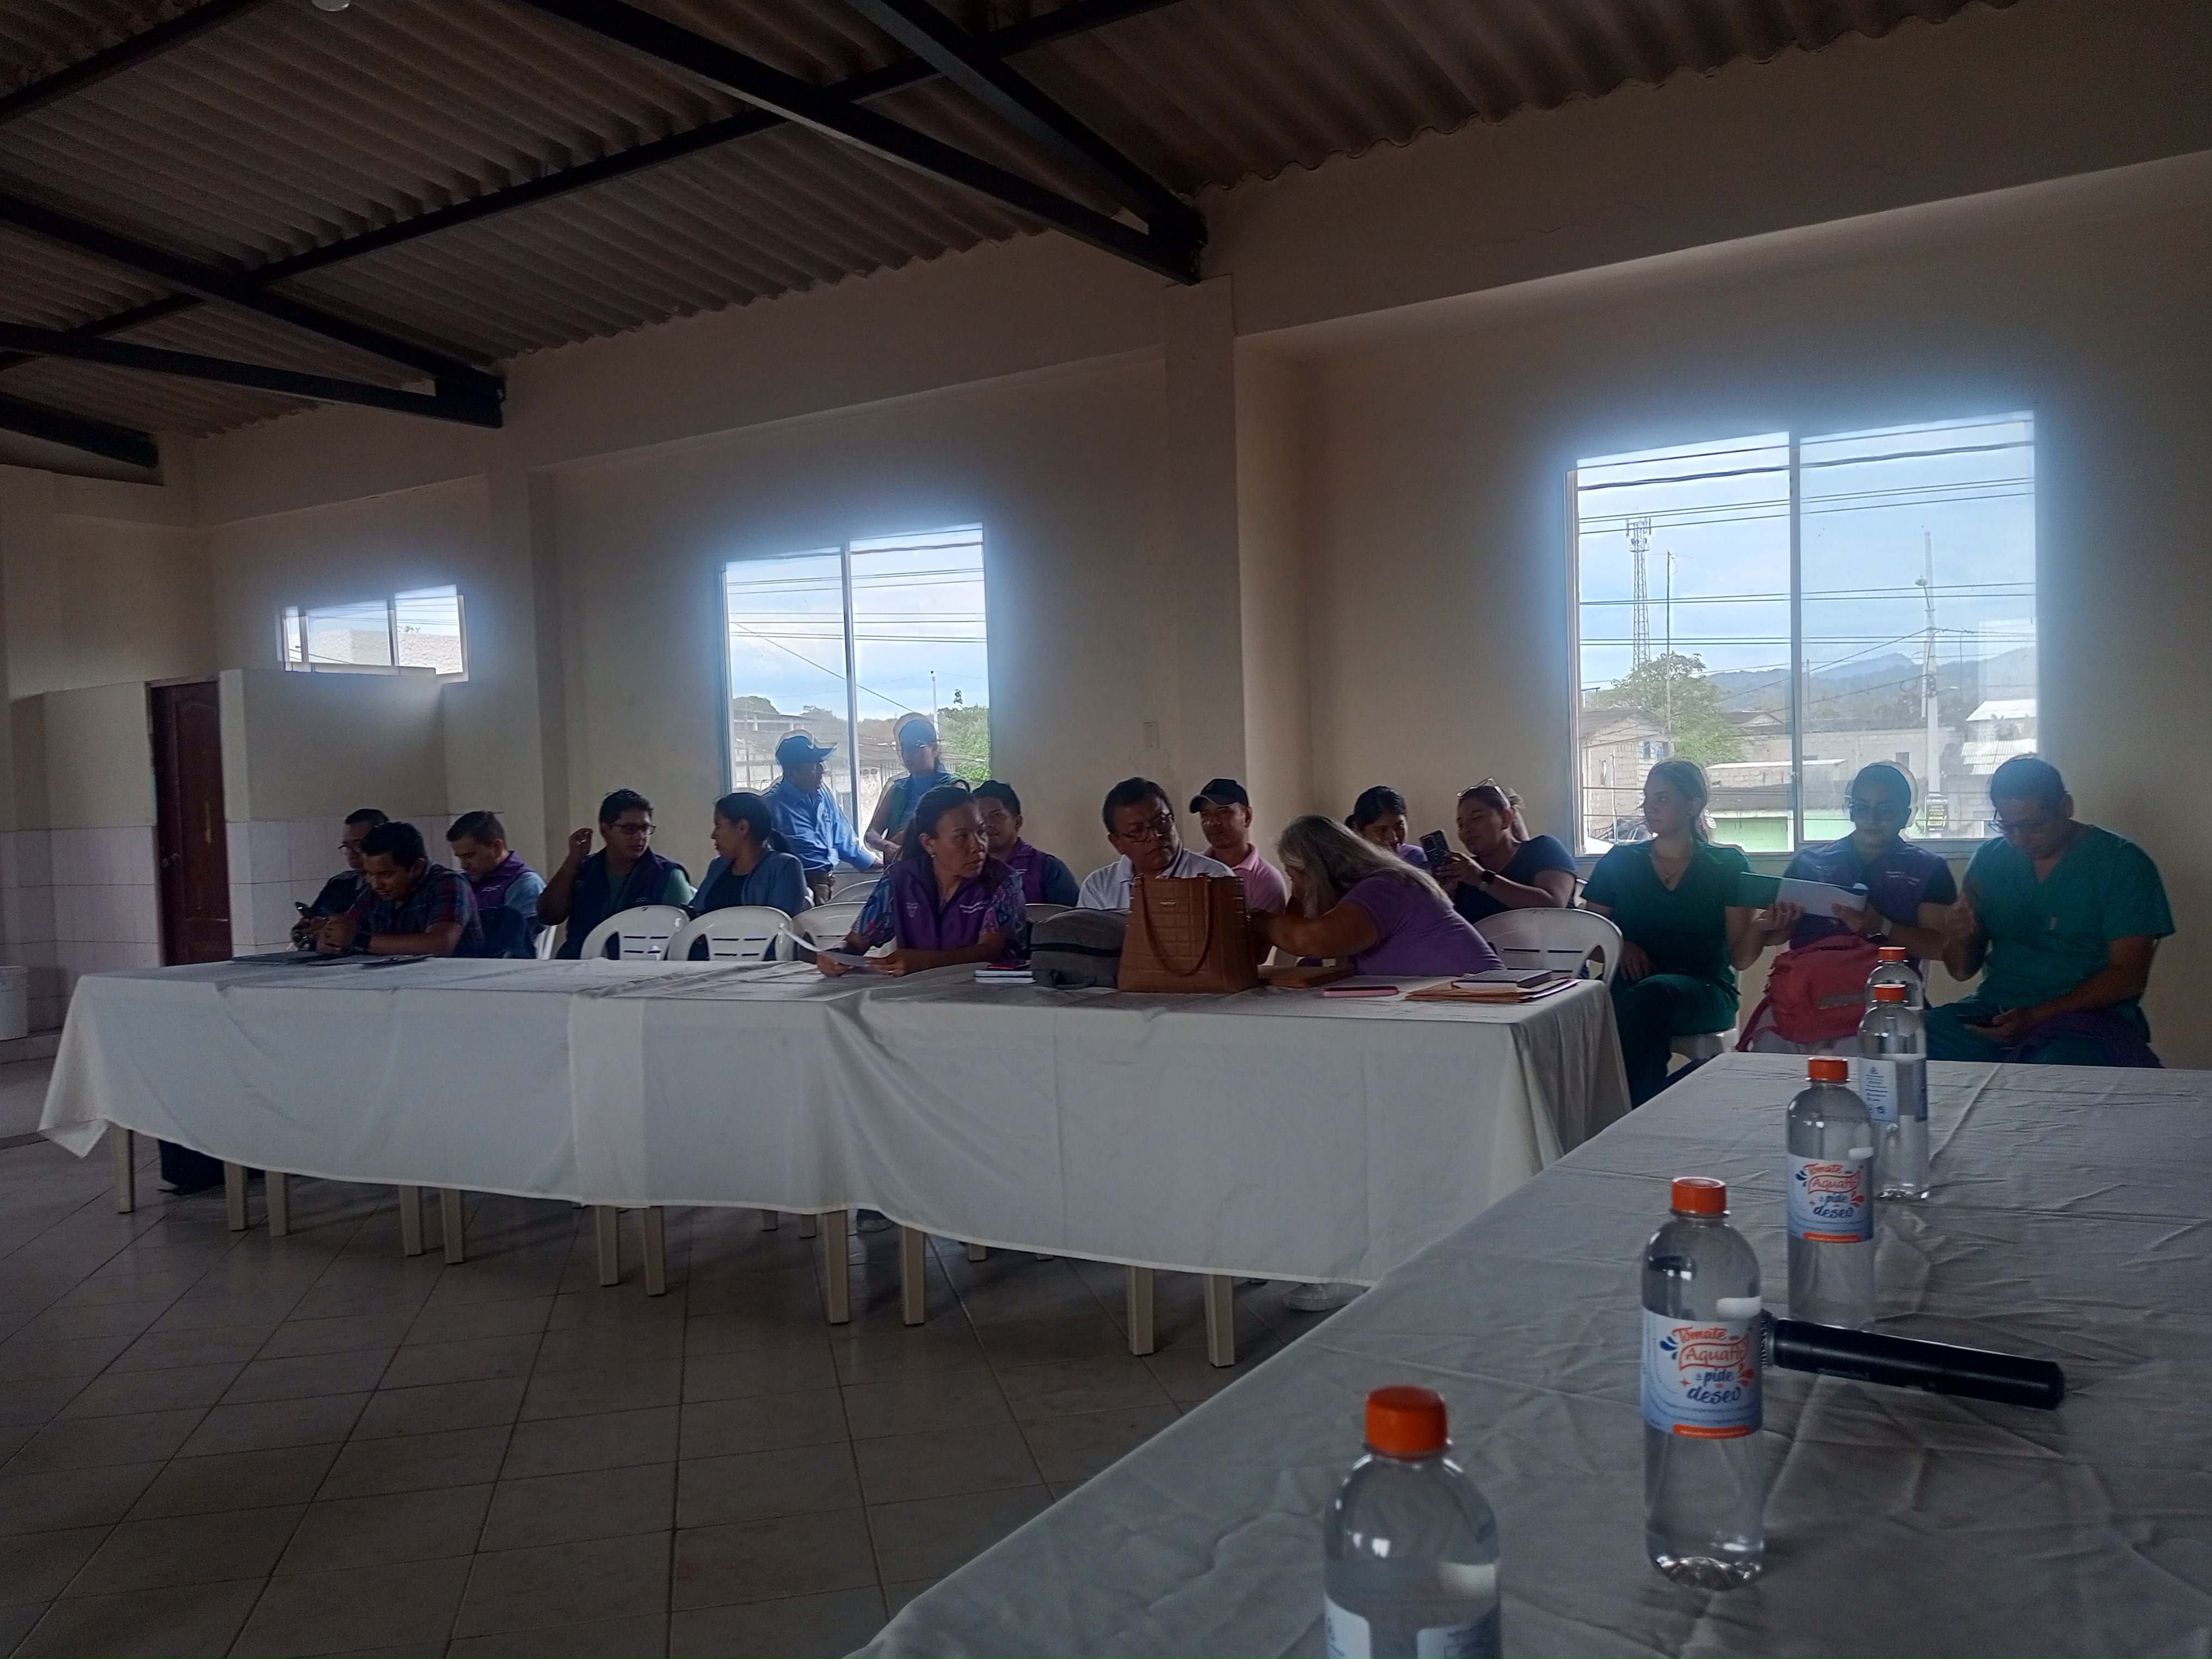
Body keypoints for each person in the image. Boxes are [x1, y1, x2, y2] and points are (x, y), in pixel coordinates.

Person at [1929, 756, 2172, 1066]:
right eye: (2008, 827)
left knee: (2053, 1070)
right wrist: (1959, 939)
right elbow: (1962, 971)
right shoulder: (1989, 861)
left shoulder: (2122, 864)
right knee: (1909, 1040)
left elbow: (2129, 976)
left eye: (2034, 827)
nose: (2020, 840)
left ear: (2066, 807)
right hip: (1996, 1010)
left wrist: (2038, 1015)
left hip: (2088, 1018)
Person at [1581, 759, 1766, 1105]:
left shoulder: (1727, 866)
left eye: (1662, 798)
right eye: (1647, 798)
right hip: (1629, 989)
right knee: (1603, 1004)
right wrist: (1621, 944)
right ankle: (1650, 1103)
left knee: (1651, 997)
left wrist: (1764, 927)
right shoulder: (1619, 862)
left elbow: (1740, 958)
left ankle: (1630, 1111)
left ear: (1693, 805)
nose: (1649, 807)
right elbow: (1590, 937)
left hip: (1704, 990)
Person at [1255, 815, 1501, 976]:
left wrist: (1256, 921)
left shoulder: (1385, 888)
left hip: (1482, 1007)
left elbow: (1310, 940)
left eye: (1294, 878)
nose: (1296, 891)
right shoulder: (1366, 894)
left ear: (1314, 872)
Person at [820, 784, 1027, 976]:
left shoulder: (1003, 881)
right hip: (915, 995)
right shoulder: (900, 880)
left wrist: (926, 961)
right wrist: (837, 954)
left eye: (981, 832)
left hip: (989, 994)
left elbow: (990, 951)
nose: (978, 845)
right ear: (929, 843)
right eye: (962, 837)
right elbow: (856, 943)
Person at [539, 789, 694, 958]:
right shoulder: (585, 869)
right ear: (605, 830)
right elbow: (549, 916)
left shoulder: (667, 875)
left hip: (640, 968)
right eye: (630, 829)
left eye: (645, 828)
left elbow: (683, 943)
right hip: (579, 964)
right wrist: (572, 861)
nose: (640, 837)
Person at [315, 820, 481, 956]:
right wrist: (330, 938)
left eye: (386, 875)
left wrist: (359, 940)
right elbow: (348, 926)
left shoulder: (449, 883)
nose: (376, 884)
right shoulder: (374, 889)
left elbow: (441, 945)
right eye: (369, 874)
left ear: (416, 868)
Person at [1432, 780, 1576, 925]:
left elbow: (1553, 906)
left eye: (1477, 818)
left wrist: (1481, 878)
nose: (1466, 829)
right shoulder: (1463, 874)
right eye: (1461, 825)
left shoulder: (1543, 849)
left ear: (1506, 818)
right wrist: (1445, 897)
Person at [1077, 777, 1232, 911]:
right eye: (1138, 831)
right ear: (1117, 843)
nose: (1156, 835)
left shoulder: (1216, 877)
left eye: (1162, 822)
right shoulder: (1098, 887)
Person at [763, 730, 877, 904]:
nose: (822, 771)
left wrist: (872, 863)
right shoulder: (771, 806)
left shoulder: (822, 794)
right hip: (793, 888)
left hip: (825, 883)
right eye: (813, 766)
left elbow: (841, 835)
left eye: (820, 764)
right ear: (792, 773)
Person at [690, 791, 812, 919]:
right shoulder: (717, 866)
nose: (713, 835)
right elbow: (695, 910)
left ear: (743, 827)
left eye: (719, 826)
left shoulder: (785, 867)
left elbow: (779, 923)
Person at [445, 810, 545, 955]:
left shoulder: (525, 884)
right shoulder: (462, 882)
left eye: (469, 856)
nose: (463, 865)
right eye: (460, 858)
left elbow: (515, 948)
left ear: (497, 848)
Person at [1189, 777, 1288, 913]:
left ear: (1247, 816)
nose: (1214, 822)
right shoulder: (1191, 869)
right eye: (1206, 814)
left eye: (1223, 812)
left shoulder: (1265, 879)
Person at [865, 715, 960, 857]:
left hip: (942, 868)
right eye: (904, 748)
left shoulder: (954, 788)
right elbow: (871, 834)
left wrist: (910, 837)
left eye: (917, 746)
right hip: (901, 867)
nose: (908, 754)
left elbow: (959, 835)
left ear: (934, 749)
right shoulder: (897, 790)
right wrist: (887, 845)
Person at [973, 781, 1079, 907]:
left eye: (996, 815)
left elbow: (1070, 918)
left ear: (1017, 822)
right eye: (981, 817)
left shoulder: (1048, 868)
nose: (988, 824)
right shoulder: (967, 868)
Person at [291, 807, 387, 946]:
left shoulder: (391, 887)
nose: (352, 854)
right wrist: (307, 932)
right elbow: (315, 921)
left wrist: (345, 935)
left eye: (359, 845)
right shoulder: (339, 884)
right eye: (347, 847)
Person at [1347, 785, 1426, 865]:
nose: (1394, 839)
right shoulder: (1350, 866)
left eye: (1399, 826)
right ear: (1361, 831)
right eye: (1382, 830)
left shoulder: (1419, 858)